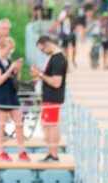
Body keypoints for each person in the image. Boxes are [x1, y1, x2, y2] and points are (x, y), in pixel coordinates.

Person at [0, 38, 28, 162]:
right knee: (2, 125)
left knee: (19, 124)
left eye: (11, 49)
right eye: (8, 49)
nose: (10, 52)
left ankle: (22, 152)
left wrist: (18, 69)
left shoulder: (8, 61)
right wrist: (11, 69)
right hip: (1, 96)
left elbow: (14, 79)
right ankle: (1, 152)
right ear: (1, 47)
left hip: (12, 96)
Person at [30, 35, 67, 163]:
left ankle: (53, 154)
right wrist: (39, 73)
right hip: (50, 98)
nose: (42, 52)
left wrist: (40, 74)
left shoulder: (57, 59)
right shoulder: (55, 58)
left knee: (51, 125)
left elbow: (56, 82)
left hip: (53, 98)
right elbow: (50, 76)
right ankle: (50, 153)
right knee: (48, 125)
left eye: (42, 49)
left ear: (47, 45)